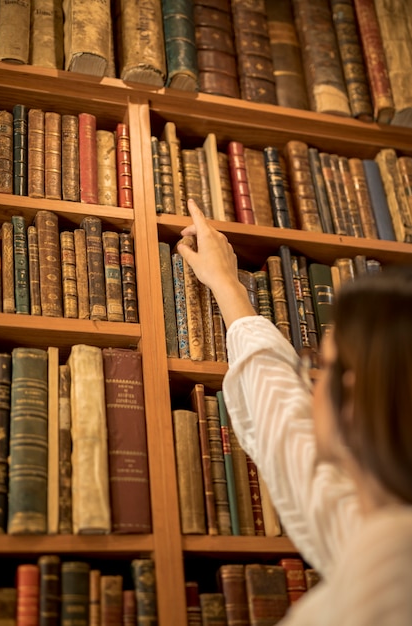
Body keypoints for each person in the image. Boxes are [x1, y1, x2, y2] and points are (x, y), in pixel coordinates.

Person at [177, 198, 412, 625]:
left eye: (320, 367)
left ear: (356, 399)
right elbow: (290, 434)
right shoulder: (373, 532)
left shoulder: (391, 579)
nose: (310, 388)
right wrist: (227, 287)